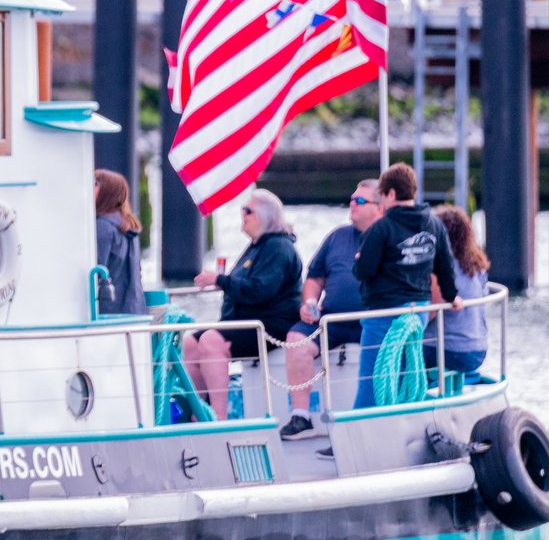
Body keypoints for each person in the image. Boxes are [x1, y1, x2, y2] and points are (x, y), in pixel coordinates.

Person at [279, 179, 384, 437]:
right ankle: (301, 417)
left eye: (360, 201)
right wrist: (310, 303)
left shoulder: (388, 238)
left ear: (380, 208)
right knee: (296, 339)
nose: (352, 204)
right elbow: (315, 278)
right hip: (331, 321)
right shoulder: (338, 237)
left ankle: (373, 419)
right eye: (351, 199)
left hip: (371, 320)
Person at [186, 188, 303, 419]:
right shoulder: (258, 246)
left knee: (211, 341)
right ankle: (198, 412)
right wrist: (224, 282)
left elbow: (261, 290)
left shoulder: (278, 248)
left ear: (262, 216)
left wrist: (220, 279)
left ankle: (218, 418)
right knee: (190, 343)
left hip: (270, 324)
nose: (243, 215)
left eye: (247, 210)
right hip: (243, 321)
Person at [350, 163, 459, 408]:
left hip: (384, 313)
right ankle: (402, 422)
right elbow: (444, 267)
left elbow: (364, 271)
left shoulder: (381, 228)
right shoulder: (434, 225)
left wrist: (358, 261)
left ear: (390, 194)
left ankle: (361, 432)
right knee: (406, 373)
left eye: (382, 196)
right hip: (417, 311)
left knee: (373, 378)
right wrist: (453, 296)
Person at [432, 204, 490, 379]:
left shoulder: (439, 266)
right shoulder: (477, 266)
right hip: (478, 350)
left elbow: (429, 313)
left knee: (399, 352)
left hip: (447, 351)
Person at [91, 169, 144, 317]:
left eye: (94, 183)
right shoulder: (130, 228)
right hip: (134, 310)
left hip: (108, 312)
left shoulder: (103, 227)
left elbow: (93, 269)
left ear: (106, 191)